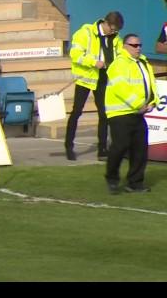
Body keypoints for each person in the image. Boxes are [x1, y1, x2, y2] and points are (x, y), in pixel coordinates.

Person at [65, 11, 123, 161]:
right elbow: (75, 54)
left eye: (116, 30)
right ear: (106, 23)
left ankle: (102, 149)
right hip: (86, 78)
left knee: (104, 114)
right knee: (77, 111)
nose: (114, 32)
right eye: (112, 29)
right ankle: (69, 146)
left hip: (103, 78)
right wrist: (94, 62)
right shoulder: (85, 33)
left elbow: (120, 55)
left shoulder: (116, 38)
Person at [105, 34, 158, 194]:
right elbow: (121, 88)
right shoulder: (119, 64)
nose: (138, 48)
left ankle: (135, 182)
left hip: (138, 112)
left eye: (139, 45)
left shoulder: (143, 62)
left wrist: (153, 101)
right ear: (124, 46)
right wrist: (138, 104)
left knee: (140, 149)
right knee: (120, 146)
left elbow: (151, 84)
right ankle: (112, 178)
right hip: (120, 112)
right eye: (134, 45)